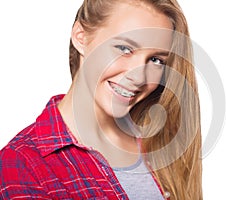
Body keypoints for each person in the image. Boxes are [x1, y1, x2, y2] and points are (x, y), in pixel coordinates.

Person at [0, 0, 202, 199]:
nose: (139, 77)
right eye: (124, 49)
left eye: (156, 60)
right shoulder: (21, 164)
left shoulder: (159, 143)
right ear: (81, 37)